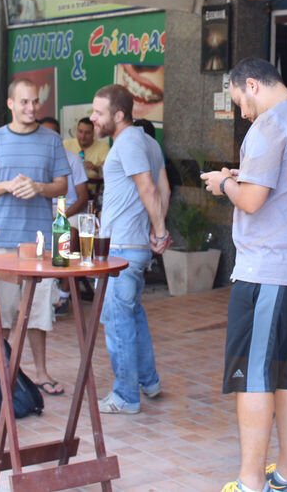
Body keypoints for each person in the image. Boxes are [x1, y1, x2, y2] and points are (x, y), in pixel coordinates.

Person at [201, 57, 287, 492]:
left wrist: (224, 183)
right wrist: (241, 177)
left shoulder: (270, 123)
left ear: (252, 85)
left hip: (271, 267)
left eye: (240, 101)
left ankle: (250, 481)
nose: (242, 113)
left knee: (254, 375)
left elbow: (253, 201)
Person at [0, 78, 69, 396]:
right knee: (1, 315)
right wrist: (9, 185)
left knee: (39, 313)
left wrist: (39, 187)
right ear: (10, 104)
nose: (31, 108)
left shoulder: (52, 140)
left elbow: (62, 186)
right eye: (24, 102)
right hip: (0, 239)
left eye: (35, 102)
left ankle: (41, 372)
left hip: (40, 242)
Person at [90, 84, 171, 415]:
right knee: (131, 313)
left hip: (122, 247)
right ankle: (148, 381)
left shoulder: (129, 142)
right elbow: (164, 189)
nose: (92, 118)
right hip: (131, 245)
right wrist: (155, 229)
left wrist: (160, 231)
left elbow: (149, 189)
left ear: (119, 114)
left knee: (117, 321)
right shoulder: (149, 142)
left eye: (98, 112)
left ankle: (125, 396)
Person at [38, 117, 89, 217]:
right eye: (43, 134)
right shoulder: (34, 160)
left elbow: (83, 198)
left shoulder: (73, 159)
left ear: (58, 136)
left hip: (69, 210)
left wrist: (61, 218)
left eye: (52, 134)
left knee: (71, 227)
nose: (48, 138)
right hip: (42, 211)